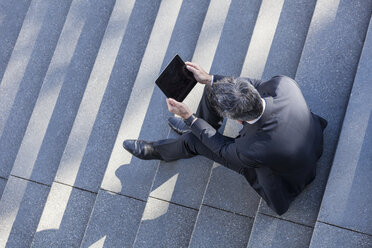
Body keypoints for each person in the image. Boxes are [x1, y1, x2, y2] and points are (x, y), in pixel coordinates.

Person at [123, 62, 327, 215]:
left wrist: (189, 118)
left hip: (283, 173)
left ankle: (158, 150)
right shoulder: (283, 85)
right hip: (309, 136)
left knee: (194, 141)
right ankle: (195, 127)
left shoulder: (251, 149)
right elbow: (255, 85)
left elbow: (220, 148)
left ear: (237, 121)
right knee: (211, 91)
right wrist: (210, 79)